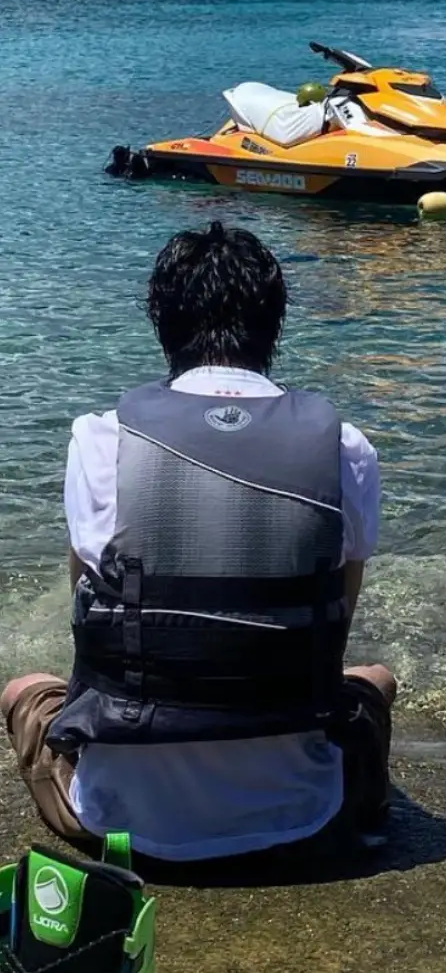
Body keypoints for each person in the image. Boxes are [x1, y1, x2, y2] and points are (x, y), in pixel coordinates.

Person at [2, 221, 394, 864]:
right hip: (301, 816)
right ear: (274, 325)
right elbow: (337, 623)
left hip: (125, 824)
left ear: (163, 323)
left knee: (25, 689)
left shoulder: (101, 442)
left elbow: (85, 625)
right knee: (373, 678)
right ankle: (356, 801)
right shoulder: (347, 450)